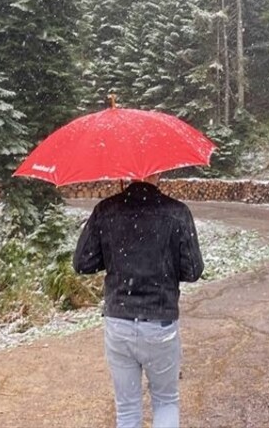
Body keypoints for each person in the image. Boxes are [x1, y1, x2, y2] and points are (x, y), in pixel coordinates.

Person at [73, 173, 204, 428]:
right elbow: (193, 270)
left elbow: (83, 263)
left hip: (119, 321)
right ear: (158, 172)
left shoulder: (106, 210)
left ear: (125, 174)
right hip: (160, 322)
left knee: (127, 408)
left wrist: (116, 254)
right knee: (166, 401)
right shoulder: (177, 212)